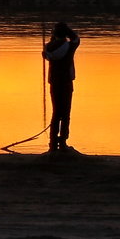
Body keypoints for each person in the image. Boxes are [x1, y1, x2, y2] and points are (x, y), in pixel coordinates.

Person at [42, 21, 80, 153]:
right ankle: (62, 142)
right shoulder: (69, 47)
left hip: (54, 83)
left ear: (54, 34)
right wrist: (68, 30)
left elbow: (47, 53)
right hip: (66, 82)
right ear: (65, 34)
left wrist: (53, 36)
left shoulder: (48, 47)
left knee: (56, 113)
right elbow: (76, 39)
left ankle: (53, 143)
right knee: (65, 113)